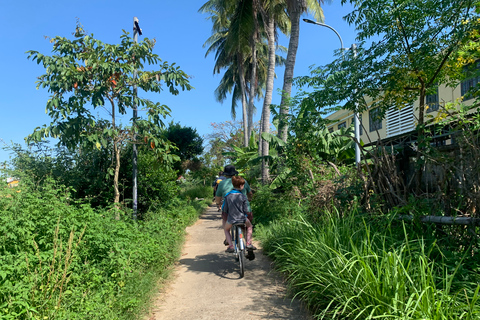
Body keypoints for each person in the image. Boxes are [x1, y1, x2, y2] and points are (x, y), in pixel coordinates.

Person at [215, 165, 255, 247]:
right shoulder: (243, 181)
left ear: (225, 174)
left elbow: (218, 197)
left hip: (229, 212)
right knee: (247, 227)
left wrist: (218, 203)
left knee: (225, 220)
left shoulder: (222, 183)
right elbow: (250, 193)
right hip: (244, 211)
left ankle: (228, 239)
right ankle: (249, 243)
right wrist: (249, 199)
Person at [222, 175, 255, 253]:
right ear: (241, 186)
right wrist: (245, 216)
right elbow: (245, 209)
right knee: (249, 227)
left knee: (226, 229)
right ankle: (248, 243)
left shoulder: (228, 196)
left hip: (231, 219)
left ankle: (230, 246)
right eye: (243, 185)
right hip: (242, 218)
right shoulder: (243, 196)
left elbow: (225, 209)